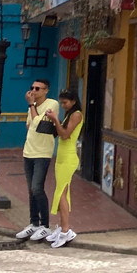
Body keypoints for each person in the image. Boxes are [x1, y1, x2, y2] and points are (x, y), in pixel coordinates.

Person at [16, 78, 58, 241]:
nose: (34, 91)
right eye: (32, 87)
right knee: (30, 190)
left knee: (37, 188)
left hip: (42, 153)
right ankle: (34, 223)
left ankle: (45, 226)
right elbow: (29, 125)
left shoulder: (51, 104)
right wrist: (32, 107)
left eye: (38, 88)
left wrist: (31, 105)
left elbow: (36, 123)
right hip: (28, 152)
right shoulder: (32, 106)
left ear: (46, 90)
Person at [45, 89, 84, 248]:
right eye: (61, 103)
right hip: (61, 157)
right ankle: (62, 227)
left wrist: (55, 119)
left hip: (68, 157)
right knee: (62, 193)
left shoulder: (76, 115)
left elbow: (65, 135)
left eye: (65, 103)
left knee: (60, 192)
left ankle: (66, 230)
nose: (63, 105)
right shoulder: (69, 114)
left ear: (73, 101)